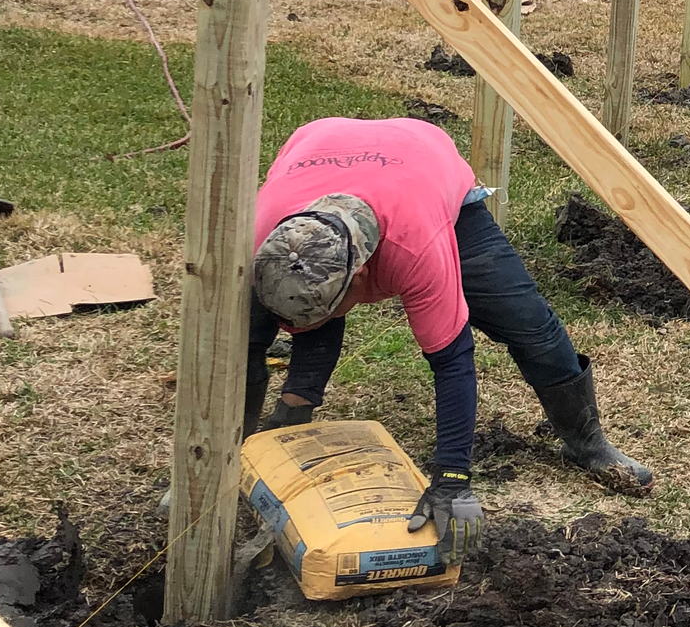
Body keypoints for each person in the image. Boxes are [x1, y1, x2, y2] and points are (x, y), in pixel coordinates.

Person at [247, 117, 651, 550]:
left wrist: (452, 480)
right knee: (271, 320)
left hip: (421, 165)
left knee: (526, 321)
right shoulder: (264, 244)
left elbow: (452, 360)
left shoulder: (415, 246)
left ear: (364, 276)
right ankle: (287, 419)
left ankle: (586, 442)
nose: (297, 329)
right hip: (318, 148)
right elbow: (242, 352)